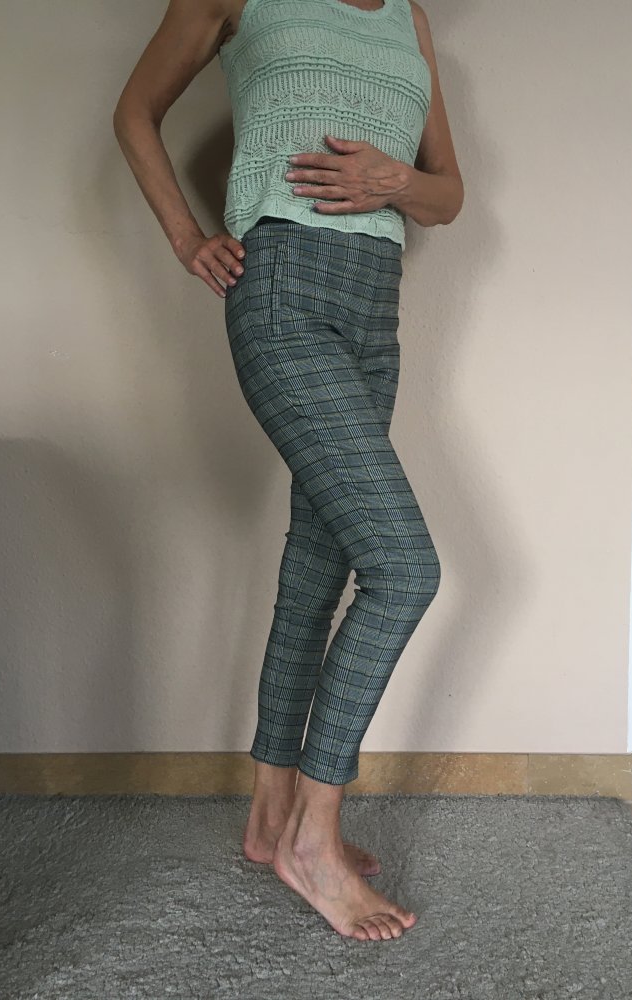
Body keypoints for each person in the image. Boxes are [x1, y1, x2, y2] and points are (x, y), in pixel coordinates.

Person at [113, 0, 464, 942]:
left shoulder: (409, 18)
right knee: (404, 568)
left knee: (319, 566)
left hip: (375, 311)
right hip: (283, 291)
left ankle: (271, 818)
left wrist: (396, 179)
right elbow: (135, 110)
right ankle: (316, 834)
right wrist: (187, 237)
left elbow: (449, 196)